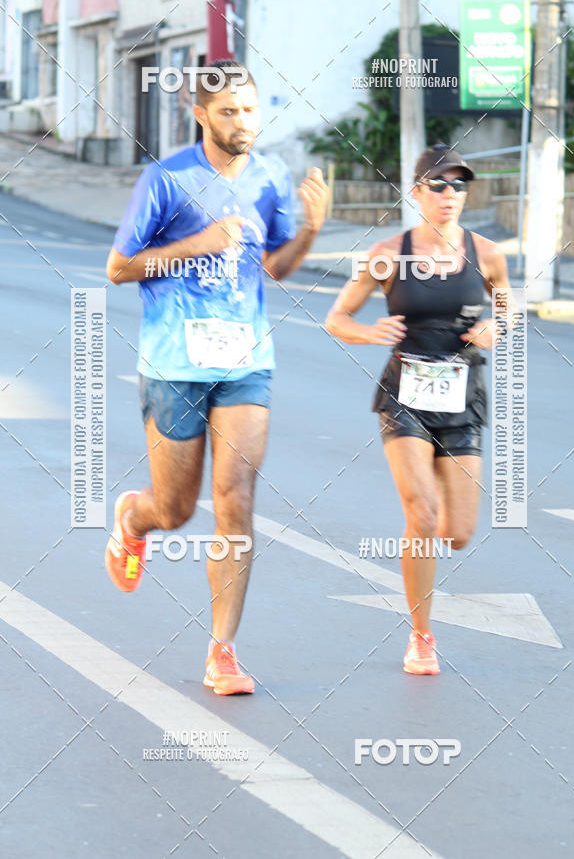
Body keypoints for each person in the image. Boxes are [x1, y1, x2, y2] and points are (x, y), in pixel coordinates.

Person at [104, 60, 329, 695]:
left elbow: (278, 267)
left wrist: (310, 226)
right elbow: (120, 268)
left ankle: (221, 651)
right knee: (174, 509)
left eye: (250, 110)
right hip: (174, 361)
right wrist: (196, 243)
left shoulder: (270, 178)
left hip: (245, 363)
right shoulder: (165, 179)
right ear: (201, 115)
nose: (242, 122)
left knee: (236, 500)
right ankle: (134, 520)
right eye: (228, 111)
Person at [325, 144, 511, 675]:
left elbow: (504, 301)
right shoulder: (388, 252)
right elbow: (337, 316)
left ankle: (424, 601)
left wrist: (497, 326)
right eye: (438, 185)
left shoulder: (488, 253)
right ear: (416, 192)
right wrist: (367, 332)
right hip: (403, 396)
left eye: (458, 185)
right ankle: (421, 635)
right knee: (422, 515)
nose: (449, 195)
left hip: (464, 397)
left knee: (458, 531)